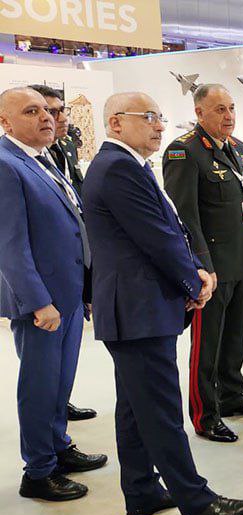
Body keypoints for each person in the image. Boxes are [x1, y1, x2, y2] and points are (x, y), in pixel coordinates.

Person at [83, 92, 243, 515]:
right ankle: (196, 502)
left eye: (160, 117)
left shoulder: (128, 165)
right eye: (149, 117)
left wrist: (192, 271)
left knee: (135, 406)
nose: (160, 126)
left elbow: (169, 228)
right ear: (116, 122)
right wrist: (193, 282)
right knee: (160, 408)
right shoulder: (119, 168)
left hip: (136, 308)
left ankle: (141, 490)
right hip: (138, 309)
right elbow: (157, 237)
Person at [0, 87, 107, 502]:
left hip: (69, 294)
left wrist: (87, 287)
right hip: (42, 303)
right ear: (6, 122)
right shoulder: (7, 165)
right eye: (32, 111)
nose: (46, 117)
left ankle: (58, 446)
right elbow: (10, 245)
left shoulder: (43, 159)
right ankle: (39, 470)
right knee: (40, 385)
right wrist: (38, 302)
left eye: (46, 110)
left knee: (61, 381)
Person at [163, 85, 243, 444]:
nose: (229, 116)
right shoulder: (184, 151)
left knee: (235, 336)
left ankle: (231, 395)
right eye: (220, 109)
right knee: (206, 346)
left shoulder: (237, 148)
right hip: (211, 269)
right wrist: (201, 266)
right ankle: (205, 414)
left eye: (231, 108)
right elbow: (185, 217)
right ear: (199, 113)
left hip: (241, 260)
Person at [28, 84, 98, 422]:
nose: (58, 118)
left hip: (73, 272)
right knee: (42, 369)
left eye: (60, 110)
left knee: (65, 359)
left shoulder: (63, 148)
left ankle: (61, 406)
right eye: (48, 111)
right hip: (46, 280)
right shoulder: (21, 162)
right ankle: (48, 434)